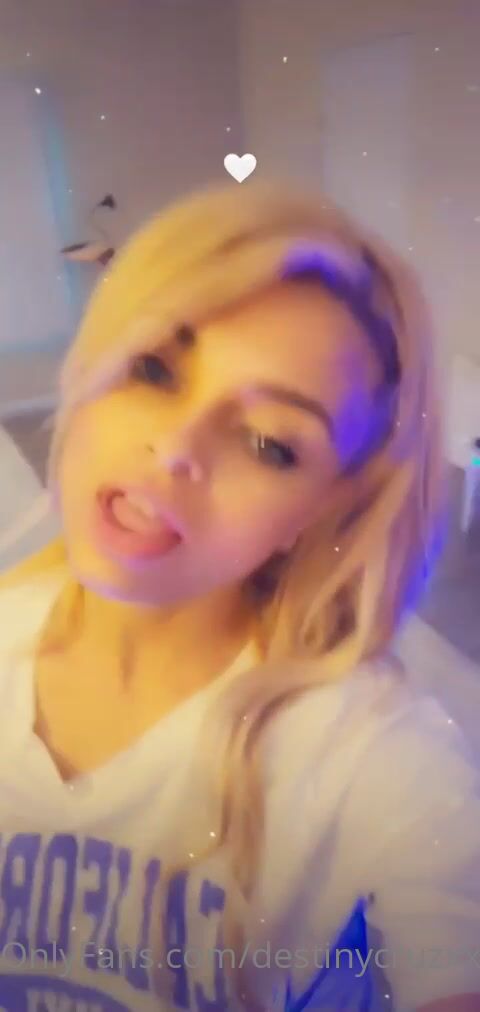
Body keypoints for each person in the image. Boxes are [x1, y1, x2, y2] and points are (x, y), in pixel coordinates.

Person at [0, 180, 478, 1012]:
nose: (176, 448)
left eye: (268, 442)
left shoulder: (363, 751)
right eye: (153, 369)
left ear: (317, 511)